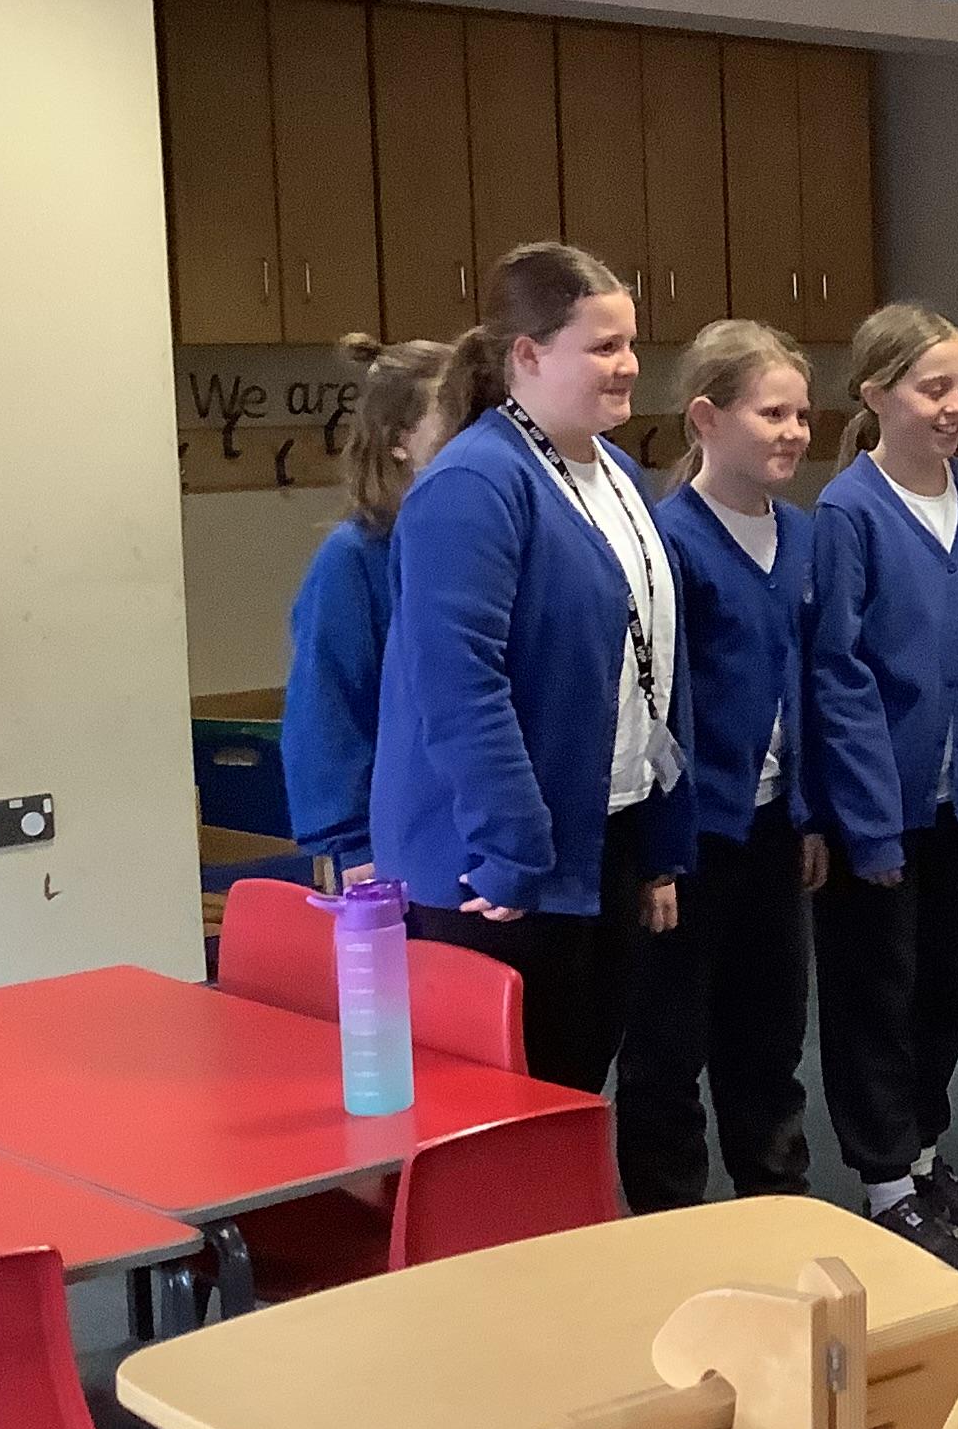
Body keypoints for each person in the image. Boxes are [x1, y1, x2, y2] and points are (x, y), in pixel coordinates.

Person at [372, 243, 692, 1094]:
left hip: (600, 835)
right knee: (508, 1102)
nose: (629, 365)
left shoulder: (617, 474)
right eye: (603, 346)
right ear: (528, 355)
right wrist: (510, 847)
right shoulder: (474, 483)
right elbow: (459, 686)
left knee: (576, 1086)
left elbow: (651, 661)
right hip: (497, 864)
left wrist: (657, 841)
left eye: (631, 344)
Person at [809, 302, 958, 1272]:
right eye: (934, 388)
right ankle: (885, 1179)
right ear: (878, 395)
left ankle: (925, 1153)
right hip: (877, 809)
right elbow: (838, 674)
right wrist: (865, 824)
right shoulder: (847, 512)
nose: (956, 405)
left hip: (952, 801)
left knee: (942, 992)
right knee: (877, 994)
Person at [612, 320, 823, 1211]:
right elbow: (654, 706)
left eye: (803, 414)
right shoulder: (669, 543)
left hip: (772, 826)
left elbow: (807, 684)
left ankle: (774, 1198)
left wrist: (807, 813)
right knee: (668, 1042)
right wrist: (659, 854)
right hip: (691, 836)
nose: (794, 432)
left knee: (769, 1032)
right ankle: (670, 1218)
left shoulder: (802, 536)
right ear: (706, 419)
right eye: (772, 413)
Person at [283, 335, 457, 885]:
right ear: (399, 440)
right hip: (399, 842)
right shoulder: (354, 558)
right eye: (454, 422)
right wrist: (354, 844)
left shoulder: (480, 543)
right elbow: (326, 712)